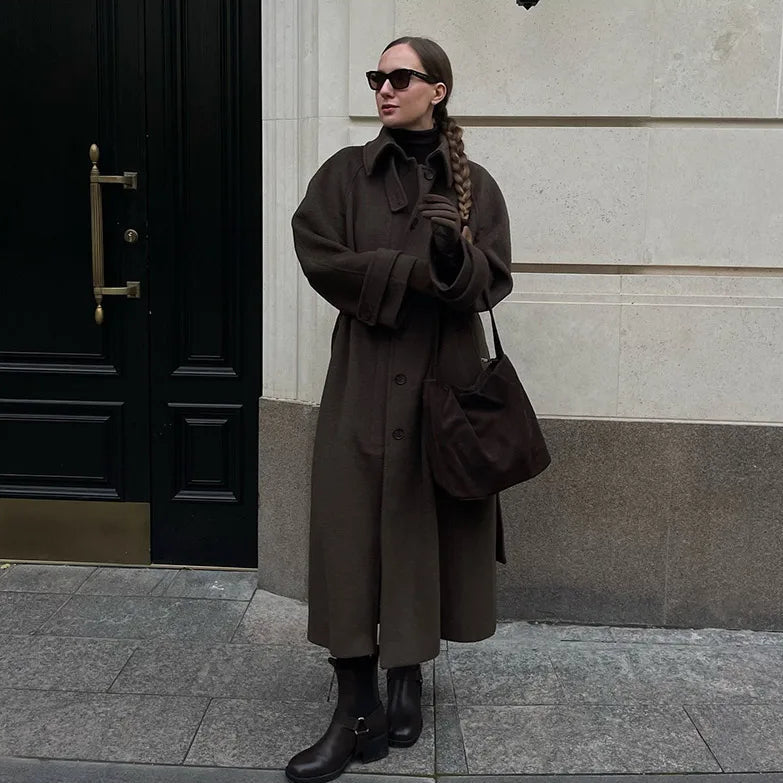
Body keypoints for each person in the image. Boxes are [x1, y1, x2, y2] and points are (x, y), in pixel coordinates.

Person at [286, 36, 513, 783]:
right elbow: (317, 251)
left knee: (423, 528)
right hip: (361, 378)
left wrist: (455, 256)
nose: (383, 88)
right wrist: (416, 271)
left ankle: (407, 673)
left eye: (400, 76)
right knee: (348, 534)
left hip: (440, 383)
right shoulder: (345, 176)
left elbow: (492, 282)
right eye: (377, 77)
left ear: (436, 89)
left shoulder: (473, 182)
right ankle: (355, 709)